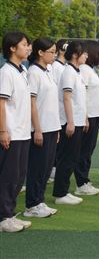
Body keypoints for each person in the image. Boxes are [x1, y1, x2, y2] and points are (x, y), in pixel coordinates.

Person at [25, 37, 60, 218]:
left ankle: (39, 200)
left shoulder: (48, 71)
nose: (54, 55)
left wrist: (56, 128)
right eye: (51, 52)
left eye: (55, 52)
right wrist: (37, 128)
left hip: (52, 127)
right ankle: (32, 204)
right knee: (37, 168)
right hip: (41, 128)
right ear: (40, 52)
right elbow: (32, 103)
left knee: (46, 169)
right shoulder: (34, 73)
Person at [0, 31, 32, 232]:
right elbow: (1, 103)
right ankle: (3, 217)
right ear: (12, 48)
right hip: (11, 132)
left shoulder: (22, 71)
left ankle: (10, 213)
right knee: (8, 176)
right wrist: (3, 130)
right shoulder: (6, 72)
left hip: (23, 132)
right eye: (24, 44)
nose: (28, 48)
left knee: (19, 176)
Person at [52, 40, 88, 206]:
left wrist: (84, 118)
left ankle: (64, 190)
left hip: (78, 121)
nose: (86, 56)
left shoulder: (77, 72)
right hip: (70, 122)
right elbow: (67, 98)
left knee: (73, 157)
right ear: (75, 55)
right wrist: (71, 122)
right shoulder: (68, 72)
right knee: (66, 158)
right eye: (83, 53)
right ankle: (60, 193)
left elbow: (80, 99)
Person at [76, 41, 99, 197]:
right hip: (90, 116)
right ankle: (81, 182)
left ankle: (84, 180)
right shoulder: (85, 70)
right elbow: (82, 94)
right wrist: (85, 116)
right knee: (85, 150)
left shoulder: (90, 70)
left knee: (88, 149)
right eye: (98, 53)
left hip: (95, 114)